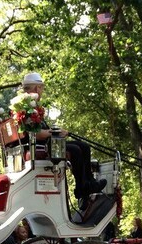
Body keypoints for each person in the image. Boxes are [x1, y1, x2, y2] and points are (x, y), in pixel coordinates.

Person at [20, 72, 106, 206]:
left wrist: (55, 132)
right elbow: (35, 134)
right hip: (42, 147)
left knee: (84, 147)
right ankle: (81, 188)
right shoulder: (26, 107)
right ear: (37, 88)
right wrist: (56, 132)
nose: (42, 91)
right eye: (41, 88)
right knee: (76, 150)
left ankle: (88, 183)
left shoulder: (29, 106)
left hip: (46, 144)